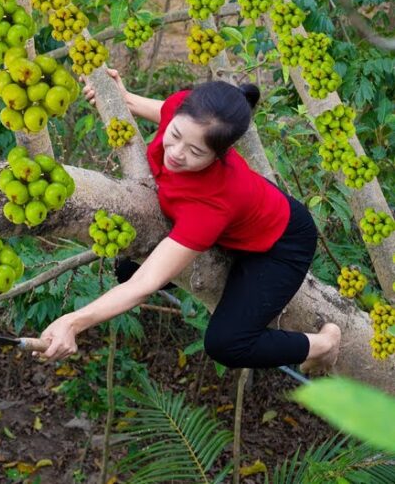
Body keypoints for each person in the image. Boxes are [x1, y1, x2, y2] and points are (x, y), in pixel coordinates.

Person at [37, 70, 341, 374]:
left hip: (280, 243)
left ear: (219, 155)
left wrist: (72, 322)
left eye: (195, 152)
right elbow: (163, 109)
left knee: (228, 343)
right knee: (127, 268)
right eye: (175, 135)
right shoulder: (186, 111)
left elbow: (146, 285)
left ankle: (323, 344)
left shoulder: (210, 206)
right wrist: (120, 96)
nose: (177, 153)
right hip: (247, 214)